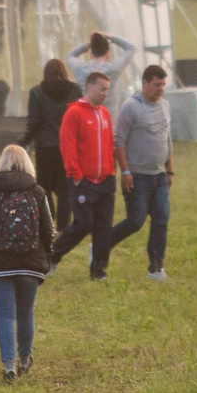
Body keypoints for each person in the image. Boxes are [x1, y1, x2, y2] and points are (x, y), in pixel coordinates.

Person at [0, 143, 57, 379]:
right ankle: (24, 359)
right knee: (26, 312)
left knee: (5, 315)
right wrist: (46, 256)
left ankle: (8, 365)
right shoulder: (37, 191)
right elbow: (48, 229)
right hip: (30, 263)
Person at [104, 63, 177, 280]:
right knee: (135, 221)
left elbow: (168, 139)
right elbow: (119, 142)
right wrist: (125, 172)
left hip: (159, 176)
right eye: (157, 84)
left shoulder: (164, 106)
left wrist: (170, 171)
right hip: (137, 176)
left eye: (163, 84)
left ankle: (155, 268)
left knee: (161, 220)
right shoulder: (131, 107)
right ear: (145, 83)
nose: (161, 88)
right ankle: (101, 246)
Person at [47, 69, 119, 280]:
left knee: (104, 227)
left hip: (105, 180)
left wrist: (111, 171)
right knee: (84, 224)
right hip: (83, 180)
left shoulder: (104, 114)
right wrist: (75, 174)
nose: (105, 93)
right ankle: (52, 255)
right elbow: (67, 145)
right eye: (102, 89)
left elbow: (108, 146)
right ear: (89, 87)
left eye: (108, 89)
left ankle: (98, 270)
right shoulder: (75, 113)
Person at [22, 58, 81, 223]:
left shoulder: (37, 92)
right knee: (65, 189)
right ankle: (63, 226)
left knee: (44, 187)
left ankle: (49, 221)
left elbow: (33, 122)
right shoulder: (75, 90)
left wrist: (24, 141)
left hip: (45, 146)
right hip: (68, 146)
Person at [65, 30, 137, 106]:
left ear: (91, 54)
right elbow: (131, 48)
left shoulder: (80, 69)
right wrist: (109, 36)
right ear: (108, 54)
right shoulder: (113, 69)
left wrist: (89, 45)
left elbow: (69, 56)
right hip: (109, 117)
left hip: (87, 115)